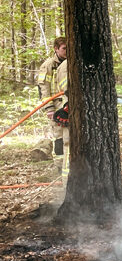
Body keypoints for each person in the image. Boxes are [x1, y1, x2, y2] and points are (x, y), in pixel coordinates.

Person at [36, 37, 67, 170]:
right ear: (56, 49)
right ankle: (60, 167)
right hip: (56, 106)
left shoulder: (71, 63)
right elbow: (44, 88)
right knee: (59, 137)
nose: (67, 51)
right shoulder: (48, 65)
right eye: (64, 49)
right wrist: (49, 109)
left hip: (69, 105)